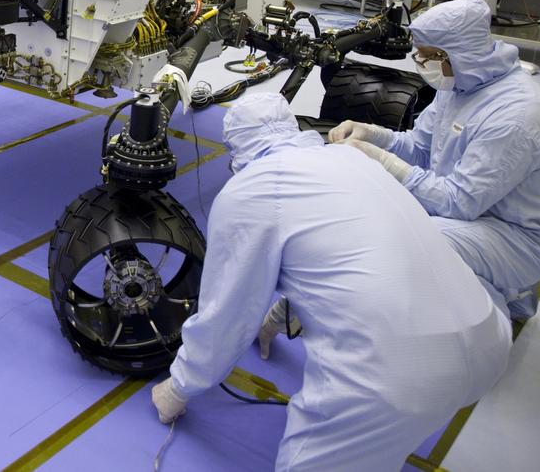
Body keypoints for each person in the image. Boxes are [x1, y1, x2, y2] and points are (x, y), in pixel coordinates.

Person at [152, 94, 512, 471]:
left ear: (236, 147)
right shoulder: (350, 159)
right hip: (486, 335)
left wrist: (178, 387)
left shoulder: (250, 191)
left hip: (399, 374)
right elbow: (346, 262)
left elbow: (225, 317)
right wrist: (276, 316)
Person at [331, 0, 540, 319]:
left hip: (512, 238)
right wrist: (375, 135)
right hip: (464, 213)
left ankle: (496, 313)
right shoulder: (457, 85)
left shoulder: (517, 115)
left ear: (456, 54)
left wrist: (384, 163)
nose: (421, 64)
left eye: (427, 57)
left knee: (422, 243)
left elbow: (459, 201)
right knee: (375, 218)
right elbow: (421, 148)